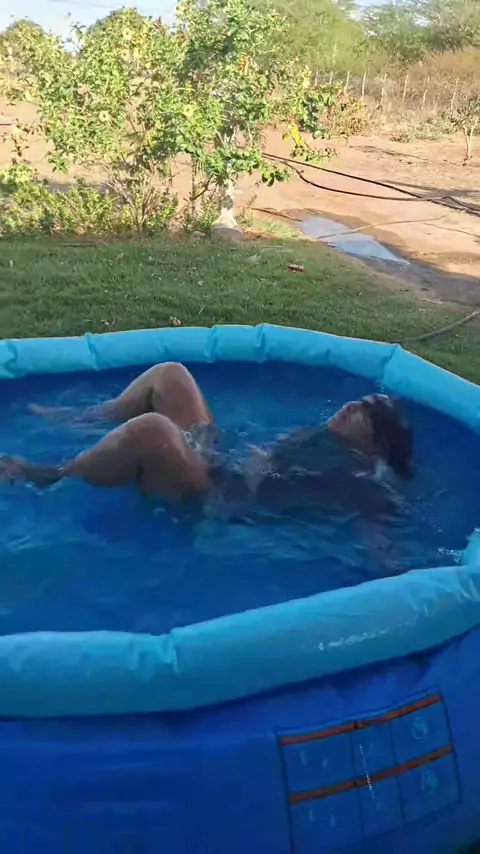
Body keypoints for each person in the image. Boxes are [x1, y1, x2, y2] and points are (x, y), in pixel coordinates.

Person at [0, 363, 413, 521]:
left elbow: (380, 532)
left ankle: (48, 476)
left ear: (378, 445)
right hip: (221, 465)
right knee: (170, 376)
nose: (352, 406)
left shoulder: (360, 480)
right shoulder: (320, 437)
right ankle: (83, 420)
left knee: (155, 430)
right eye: (359, 401)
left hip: (215, 501)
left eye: (366, 412)